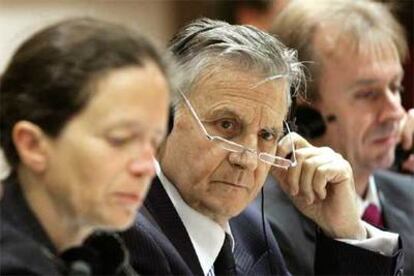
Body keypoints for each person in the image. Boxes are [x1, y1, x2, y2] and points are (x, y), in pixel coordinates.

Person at [121, 18, 403, 275]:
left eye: (267, 134)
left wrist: (347, 234)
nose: (248, 159)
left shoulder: (251, 230)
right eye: (227, 125)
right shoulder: (124, 237)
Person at [0, 18, 170, 275]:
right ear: (32, 145)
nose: (148, 167)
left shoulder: (98, 253)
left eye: (154, 142)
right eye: (120, 139)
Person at [257, 0, 414, 275]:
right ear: (302, 111)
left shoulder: (410, 195)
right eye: (368, 94)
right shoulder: (259, 228)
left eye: (395, 87)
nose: (395, 112)